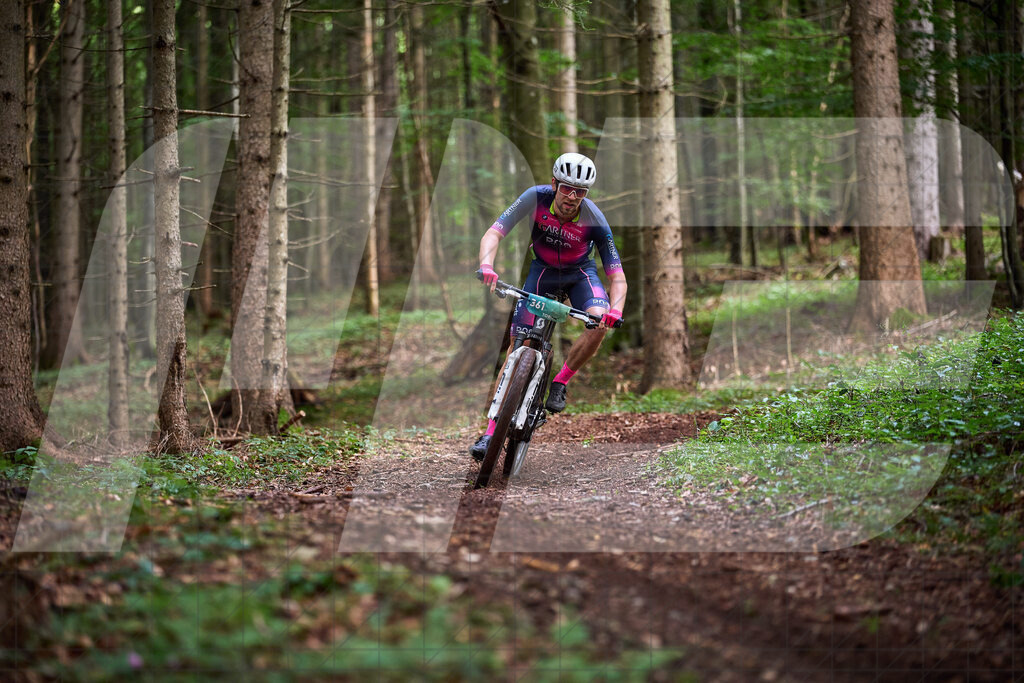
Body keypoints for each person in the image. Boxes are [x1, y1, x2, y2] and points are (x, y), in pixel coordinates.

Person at [469, 152, 627, 460]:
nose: (572, 196)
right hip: (541, 272)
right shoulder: (535, 197)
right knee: (518, 349)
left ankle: (560, 381)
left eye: (580, 191)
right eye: (566, 187)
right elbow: (494, 232)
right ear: (554, 184)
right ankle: (489, 434)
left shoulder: (594, 219)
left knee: (599, 320)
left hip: (580, 275)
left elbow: (617, 275)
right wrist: (487, 265)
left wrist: (616, 310)